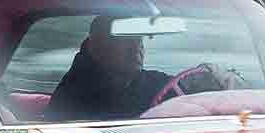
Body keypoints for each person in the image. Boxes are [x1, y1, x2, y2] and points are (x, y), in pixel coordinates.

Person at [42, 12, 172, 121]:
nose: (136, 48)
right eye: (126, 41)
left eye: (139, 41)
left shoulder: (154, 80)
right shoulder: (73, 95)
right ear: (98, 47)